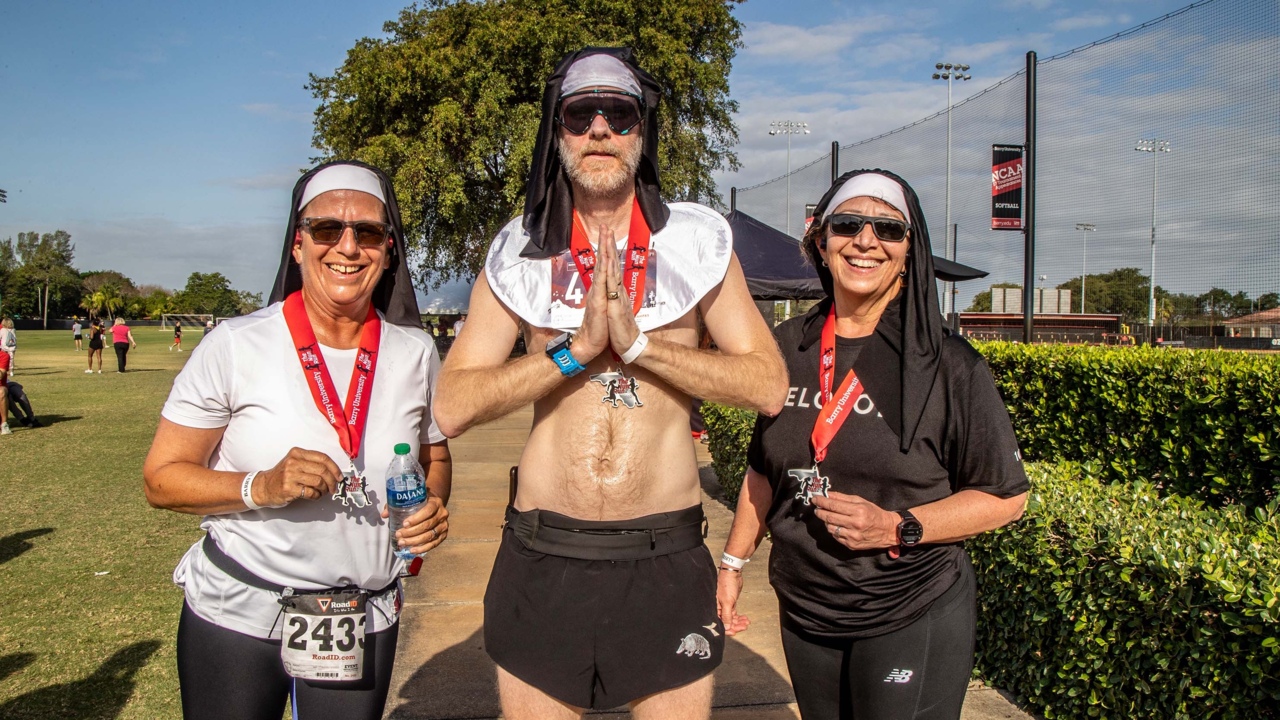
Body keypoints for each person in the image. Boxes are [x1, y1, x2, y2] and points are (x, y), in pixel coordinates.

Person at [434, 47, 788, 720]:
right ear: (558, 132)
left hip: (665, 553)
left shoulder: (696, 244)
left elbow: (768, 383)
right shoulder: (520, 250)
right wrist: (576, 353)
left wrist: (642, 347)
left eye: (618, 114)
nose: (599, 129)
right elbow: (451, 406)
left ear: (640, 131)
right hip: (544, 551)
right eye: (580, 114)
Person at [142, 160, 452, 720]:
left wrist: (431, 503)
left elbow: (434, 452)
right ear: (298, 243)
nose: (348, 247)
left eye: (369, 232)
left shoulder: (415, 353)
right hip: (238, 611)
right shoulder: (235, 345)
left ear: (388, 249)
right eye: (328, 229)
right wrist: (262, 485)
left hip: (361, 614)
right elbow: (162, 479)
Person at [715, 170, 1029, 720]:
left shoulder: (949, 365)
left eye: (887, 228)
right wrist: (733, 562)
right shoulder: (786, 347)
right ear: (821, 241)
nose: (865, 240)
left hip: (907, 606)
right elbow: (765, 471)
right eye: (848, 224)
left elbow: (1006, 497)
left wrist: (895, 526)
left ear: (910, 252)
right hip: (807, 609)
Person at [0, 346, 10, 435]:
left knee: (1, 392)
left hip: (1, 386)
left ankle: (4, 424)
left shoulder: (4, 356)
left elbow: (1, 375)